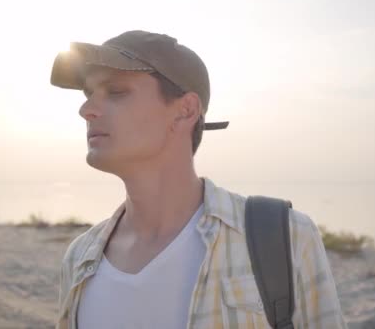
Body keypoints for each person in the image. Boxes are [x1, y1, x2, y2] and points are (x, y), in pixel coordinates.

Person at [50, 30, 346, 329]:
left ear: (185, 110)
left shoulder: (287, 236)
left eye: (116, 91)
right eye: (89, 95)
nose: (86, 110)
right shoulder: (79, 258)